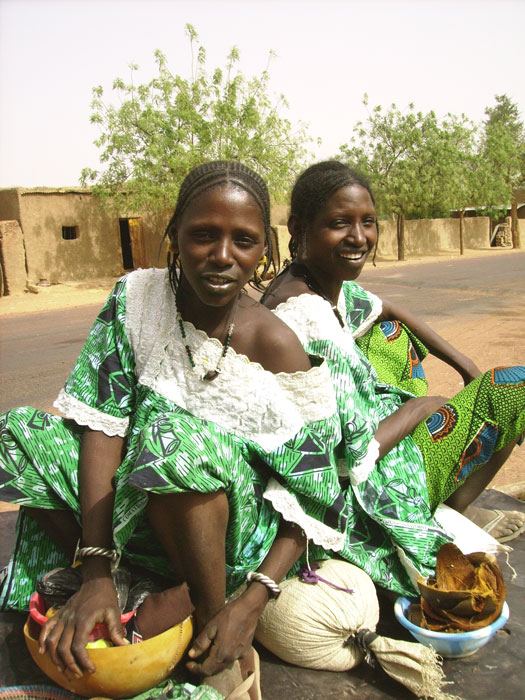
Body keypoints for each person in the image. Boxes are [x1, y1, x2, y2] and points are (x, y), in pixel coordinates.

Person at [0, 161, 342, 698]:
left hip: (225, 530)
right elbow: (103, 425)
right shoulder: (136, 300)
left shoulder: (276, 345)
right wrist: (95, 570)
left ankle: (208, 616)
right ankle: (120, 581)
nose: (222, 255)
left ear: (264, 250)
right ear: (174, 234)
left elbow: (316, 495)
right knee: (17, 434)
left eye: (244, 240)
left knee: (173, 442)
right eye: (203, 234)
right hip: (135, 505)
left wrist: (250, 606)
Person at [260, 160, 525, 589]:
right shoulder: (308, 318)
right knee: (513, 389)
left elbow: (387, 309)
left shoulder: (311, 282)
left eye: (368, 222)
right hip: (368, 483)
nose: (359, 237)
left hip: (365, 424)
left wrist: (465, 365)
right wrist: (420, 407)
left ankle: (447, 489)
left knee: (389, 334)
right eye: (340, 223)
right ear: (299, 228)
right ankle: (444, 507)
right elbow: (347, 459)